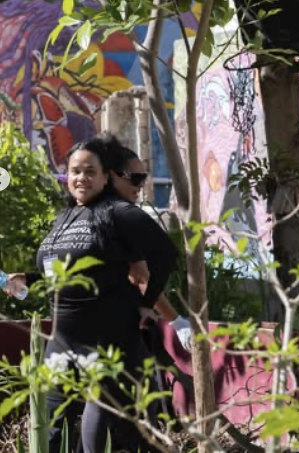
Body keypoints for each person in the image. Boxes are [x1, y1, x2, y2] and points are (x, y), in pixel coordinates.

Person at [4, 137, 178, 453]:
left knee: (119, 439)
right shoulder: (64, 217)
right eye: (75, 171)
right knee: (50, 434)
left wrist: (146, 304)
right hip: (61, 345)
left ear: (105, 176)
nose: (81, 178)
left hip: (108, 344)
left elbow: (165, 254)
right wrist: (27, 278)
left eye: (90, 171)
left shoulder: (118, 212)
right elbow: (66, 269)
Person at [106, 140, 192, 351]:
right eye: (135, 178)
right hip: (120, 327)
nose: (140, 186)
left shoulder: (84, 214)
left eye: (143, 179)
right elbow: (141, 277)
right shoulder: (121, 215)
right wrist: (177, 322)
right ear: (112, 176)